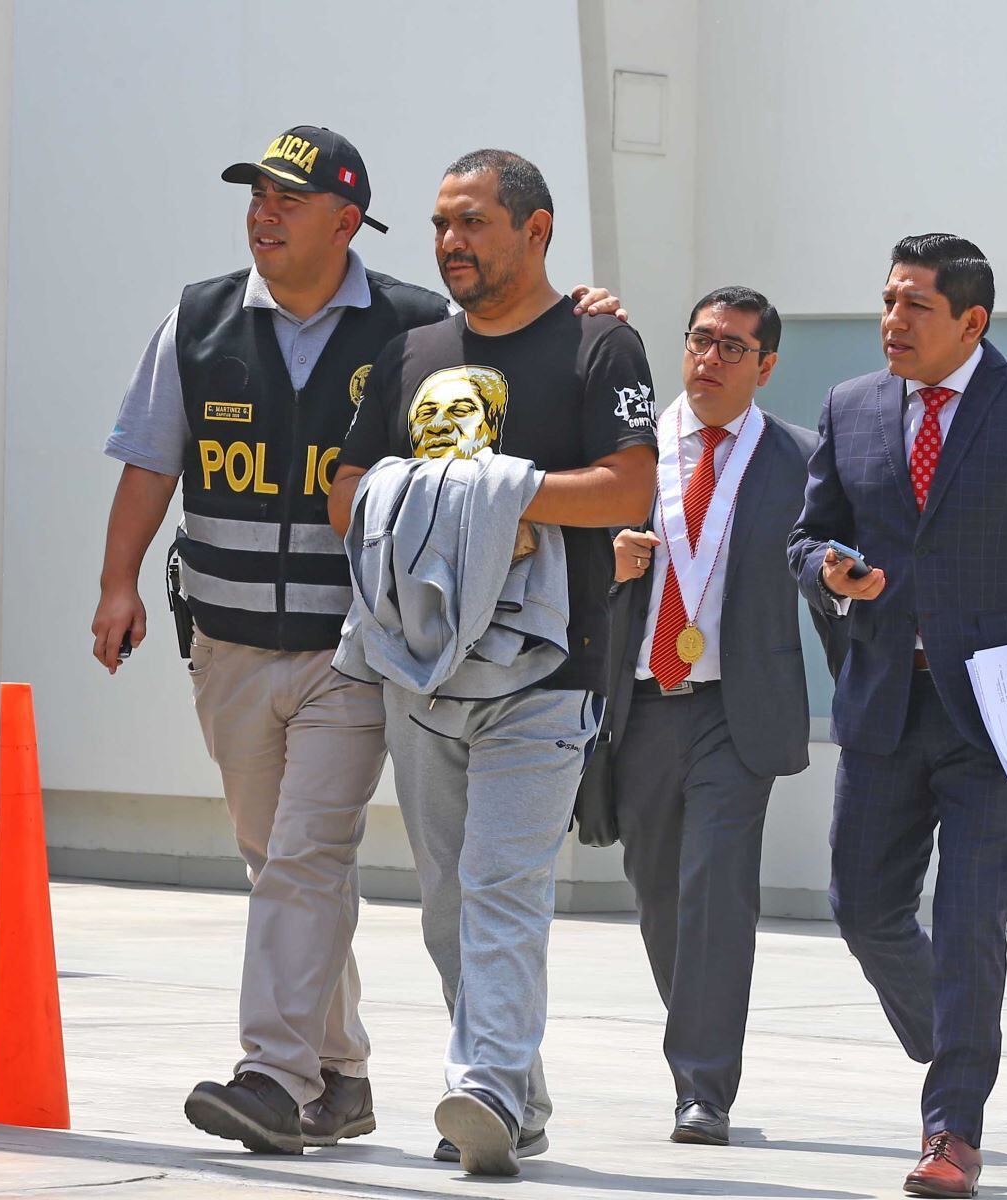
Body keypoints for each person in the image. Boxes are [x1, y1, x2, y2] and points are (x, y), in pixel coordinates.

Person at [89, 125, 446, 1156]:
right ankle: (343, 1075)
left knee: (304, 853)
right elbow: (151, 461)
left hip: (353, 642)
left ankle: (273, 1079)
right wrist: (119, 583)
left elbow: (512, 369)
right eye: (256, 195)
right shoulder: (197, 320)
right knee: (278, 858)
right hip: (231, 641)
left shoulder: (416, 331)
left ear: (346, 222)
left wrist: (586, 314)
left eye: (288, 199)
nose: (263, 212)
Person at [330, 149, 656, 1177]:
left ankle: (481, 1090)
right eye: (439, 225)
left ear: (536, 229)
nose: (450, 243)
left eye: (471, 222)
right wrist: (442, 510)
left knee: (503, 886)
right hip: (422, 675)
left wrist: (498, 499)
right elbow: (345, 494)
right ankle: (517, 1089)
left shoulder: (603, 345)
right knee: (446, 908)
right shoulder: (411, 349)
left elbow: (627, 491)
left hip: (548, 678)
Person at [788, 234, 1007, 1198]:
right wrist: (830, 571)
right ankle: (954, 1035)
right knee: (862, 906)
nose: (892, 322)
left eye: (914, 307)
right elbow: (808, 538)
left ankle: (952, 1130)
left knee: (972, 918)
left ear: (971, 322)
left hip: (999, 717)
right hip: (885, 702)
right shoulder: (849, 407)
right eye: (887, 302)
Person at [578, 286, 817, 1147]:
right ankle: (701, 1034)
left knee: (716, 886)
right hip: (640, 704)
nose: (710, 360)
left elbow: (822, 564)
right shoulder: (630, 452)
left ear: (766, 366)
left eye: (732, 349)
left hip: (734, 707)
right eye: (700, 342)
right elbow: (567, 545)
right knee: (659, 894)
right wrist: (608, 561)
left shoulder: (800, 459)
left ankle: (703, 1087)